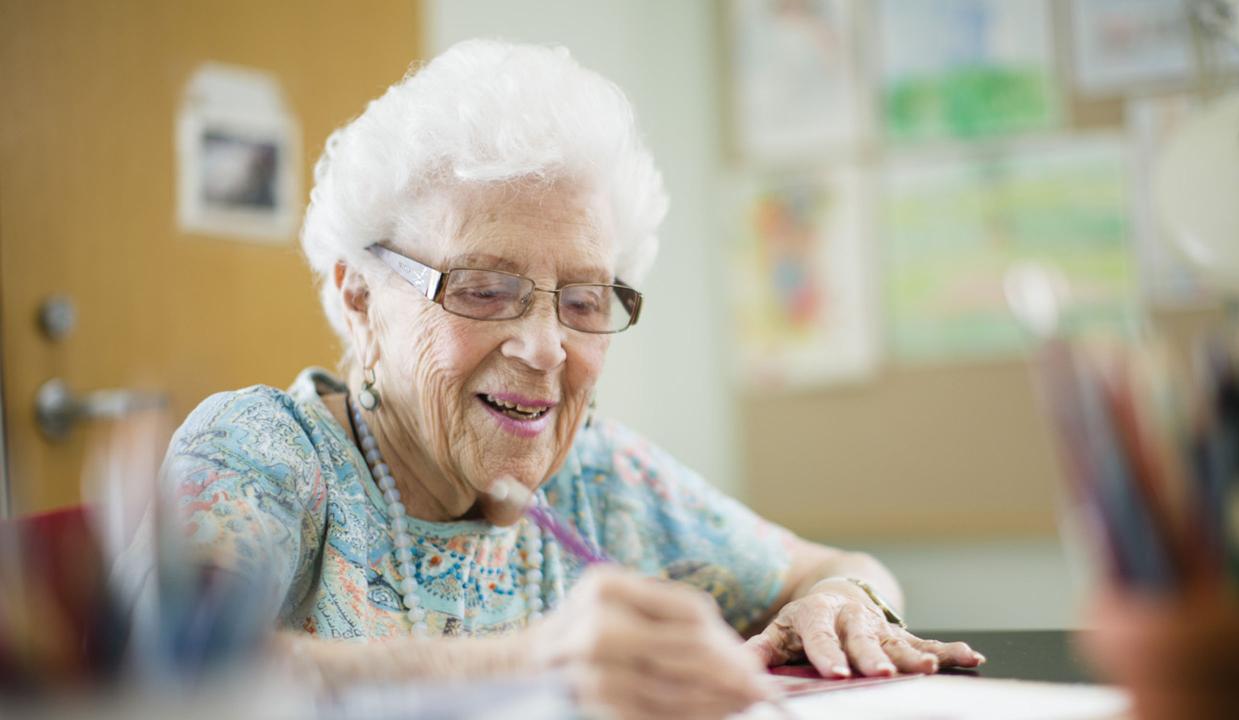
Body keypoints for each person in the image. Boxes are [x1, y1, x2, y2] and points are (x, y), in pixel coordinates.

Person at [162, 39, 982, 719]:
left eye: (584, 299)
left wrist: (839, 604)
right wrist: (534, 665)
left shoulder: (594, 474)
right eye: (484, 288)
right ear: (357, 296)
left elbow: (837, 568)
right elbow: (152, 674)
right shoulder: (266, 453)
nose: (548, 348)